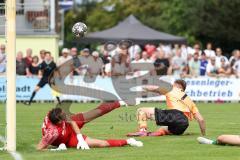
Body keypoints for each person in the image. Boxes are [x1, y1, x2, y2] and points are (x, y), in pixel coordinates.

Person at [37, 101, 143, 150]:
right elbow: (39, 149)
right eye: (64, 118)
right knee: (101, 144)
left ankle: (120, 102)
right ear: (59, 122)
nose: (66, 117)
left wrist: (81, 139)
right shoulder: (52, 133)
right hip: (67, 139)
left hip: (69, 129)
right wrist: (56, 150)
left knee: (96, 112)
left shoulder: (55, 113)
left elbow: (71, 121)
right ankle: (129, 141)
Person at [127, 79, 206, 137]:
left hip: (175, 115)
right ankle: (158, 133)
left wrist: (142, 87)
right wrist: (203, 135)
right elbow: (201, 119)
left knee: (141, 111)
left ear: (176, 85)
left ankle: (142, 131)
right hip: (184, 124)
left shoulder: (172, 89)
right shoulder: (189, 100)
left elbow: (155, 88)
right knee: (164, 128)